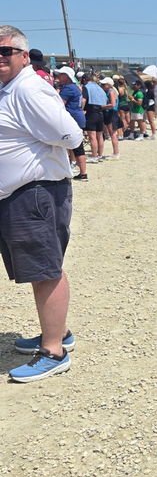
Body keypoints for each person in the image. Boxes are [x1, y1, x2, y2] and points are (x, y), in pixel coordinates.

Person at [0, 27, 83, 382]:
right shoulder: (13, 88)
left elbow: (70, 134)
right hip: (23, 193)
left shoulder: (28, 90)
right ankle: (57, 332)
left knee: (46, 270)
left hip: (34, 192)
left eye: (5, 51)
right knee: (40, 268)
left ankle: (54, 351)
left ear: (23, 55)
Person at [55, 66, 88, 179]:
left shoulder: (68, 88)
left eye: (61, 75)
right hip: (78, 116)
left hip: (73, 118)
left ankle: (82, 172)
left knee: (76, 146)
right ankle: (79, 170)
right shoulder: (75, 87)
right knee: (75, 145)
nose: (58, 76)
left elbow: (59, 104)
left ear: (66, 76)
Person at [81, 73, 107, 163]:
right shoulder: (99, 87)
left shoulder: (86, 87)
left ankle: (94, 156)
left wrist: (81, 109)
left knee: (92, 136)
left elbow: (84, 100)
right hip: (100, 112)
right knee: (99, 135)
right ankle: (100, 155)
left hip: (91, 112)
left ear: (84, 80)